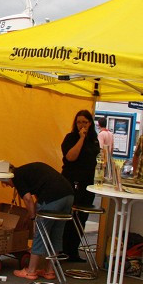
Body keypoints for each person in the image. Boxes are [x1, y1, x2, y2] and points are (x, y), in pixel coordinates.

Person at [2, 162, 74, 280]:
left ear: (8, 176)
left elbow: (28, 199)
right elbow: (38, 199)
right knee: (56, 234)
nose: (10, 186)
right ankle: (49, 271)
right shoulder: (28, 171)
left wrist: (33, 219)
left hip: (52, 197)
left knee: (40, 233)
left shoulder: (16, 176)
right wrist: (29, 214)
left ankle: (31, 271)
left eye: (6, 183)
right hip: (68, 195)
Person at [59, 110, 100, 262]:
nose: (81, 125)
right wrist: (81, 138)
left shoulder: (94, 139)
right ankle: (63, 249)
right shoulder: (71, 138)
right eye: (79, 122)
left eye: (85, 122)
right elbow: (70, 157)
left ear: (90, 123)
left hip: (87, 183)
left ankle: (73, 251)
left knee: (82, 217)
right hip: (71, 181)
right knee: (69, 216)